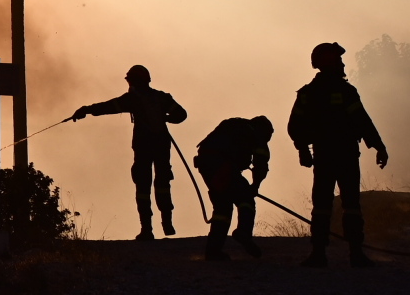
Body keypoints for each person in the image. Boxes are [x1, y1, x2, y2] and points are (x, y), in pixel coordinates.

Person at [288, 42, 389, 268]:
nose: (342, 63)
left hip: (327, 155)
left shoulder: (310, 93)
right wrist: (379, 146)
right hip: (343, 155)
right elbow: (363, 122)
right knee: (349, 204)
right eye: (338, 59)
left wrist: (302, 149)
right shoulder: (344, 92)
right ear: (326, 62)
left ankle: (319, 254)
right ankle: (354, 254)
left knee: (323, 204)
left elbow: (295, 126)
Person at [71, 65, 187, 240]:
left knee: (142, 187)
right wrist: (165, 118)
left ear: (133, 81)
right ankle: (167, 222)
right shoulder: (162, 97)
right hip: (162, 145)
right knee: (163, 183)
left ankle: (147, 229)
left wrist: (86, 110)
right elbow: (181, 115)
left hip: (143, 146)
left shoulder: (132, 99)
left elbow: (108, 107)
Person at [194, 115, 273, 260]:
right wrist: (254, 187)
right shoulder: (257, 135)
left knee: (222, 207)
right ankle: (243, 232)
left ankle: (213, 251)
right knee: (246, 200)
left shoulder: (234, 125)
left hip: (207, 166)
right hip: (225, 168)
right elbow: (261, 165)